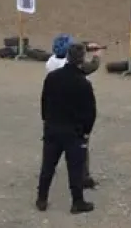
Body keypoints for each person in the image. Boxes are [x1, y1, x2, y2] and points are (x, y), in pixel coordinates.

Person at [36, 42, 98, 215]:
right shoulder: (83, 84)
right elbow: (90, 112)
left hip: (53, 128)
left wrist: (46, 122)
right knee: (75, 170)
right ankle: (77, 202)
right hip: (74, 132)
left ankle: (41, 199)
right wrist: (86, 132)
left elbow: (44, 101)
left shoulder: (52, 77)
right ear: (81, 60)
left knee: (47, 166)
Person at [45, 33, 102, 190]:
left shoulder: (51, 62)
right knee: (80, 149)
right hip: (74, 114)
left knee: (51, 156)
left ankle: (43, 192)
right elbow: (91, 67)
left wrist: (86, 46)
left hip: (56, 114)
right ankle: (83, 179)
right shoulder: (73, 68)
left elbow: (74, 52)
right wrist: (97, 55)